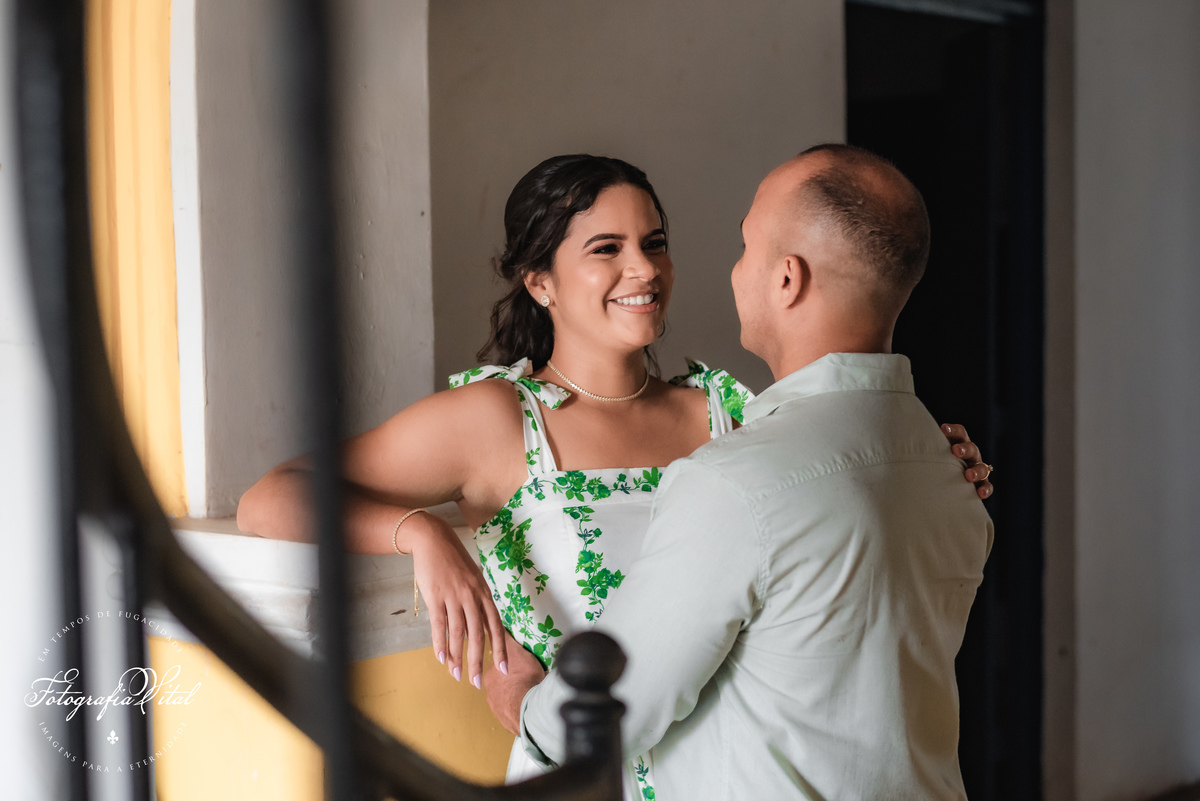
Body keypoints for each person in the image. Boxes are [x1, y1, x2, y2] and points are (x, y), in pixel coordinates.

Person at [236, 153, 993, 797]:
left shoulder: (727, 411)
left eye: (654, 242)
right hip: (575, 771)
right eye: (607, 247)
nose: (644, 268)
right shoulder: (496, 419)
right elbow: (270, 499)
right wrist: (419, 534)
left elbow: (830, 489)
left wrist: (927, 457)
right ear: (540, 281)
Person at [484, 144, 995, 801]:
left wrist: (519, 693)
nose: (732, 270)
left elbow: (606, 722)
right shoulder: (947, 465)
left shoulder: (734, 482)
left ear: (787, 279)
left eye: (746, 247)